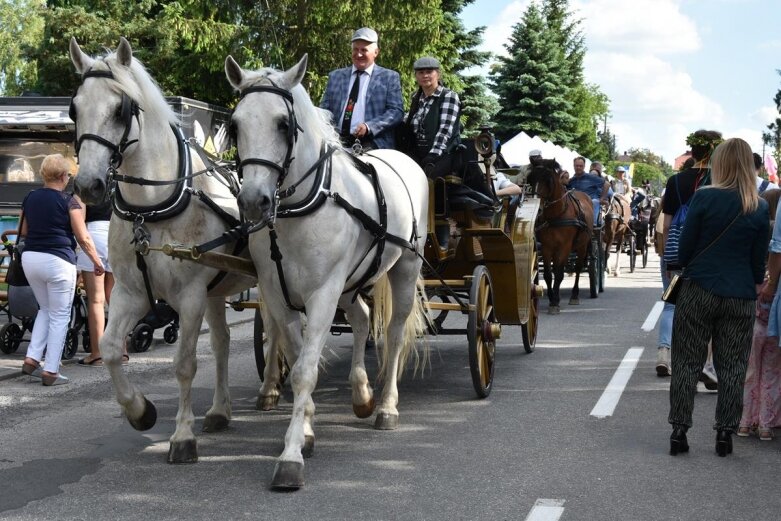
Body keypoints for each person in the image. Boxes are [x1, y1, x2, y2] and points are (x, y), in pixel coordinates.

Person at [668, 138, 769, 457]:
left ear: (721, 163)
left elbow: (684, 250)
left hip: (699, 287)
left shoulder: (704, 198)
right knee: (734, 365)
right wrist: (753, 283)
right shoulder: (759, 205)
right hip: (739, 294)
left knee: (686, 361)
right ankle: (725, 433)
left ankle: (679, 430)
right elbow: (758, 261)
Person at [19, 154, 104, 386]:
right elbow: (83, 237)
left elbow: (24, 230)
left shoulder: (30, 197)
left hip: (31, 259)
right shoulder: (70, 202)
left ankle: (32, 357)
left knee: (46, 309)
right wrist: (97, 262)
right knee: (60, 316)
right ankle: (51, 371)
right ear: (64, 176)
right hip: (58, 261)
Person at [658, 130, 722, 378]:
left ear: (692, 152)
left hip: (676, 250)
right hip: (706, 252)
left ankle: (664, 353)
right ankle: (703, 364)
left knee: (671, 304)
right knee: (706, 310)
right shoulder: (719, 181)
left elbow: (666, 224)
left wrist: (666, 255)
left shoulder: (675, 181)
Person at [739, 196, 781, 440]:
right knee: (773, 372)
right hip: (775, 318)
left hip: (755, 319)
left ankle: (745, 422)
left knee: (750, 370)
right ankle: (765, 424)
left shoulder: (761, 236)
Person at [320, 27, 403, 150]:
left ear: (376, 52)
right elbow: (325, 110)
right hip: (337, 142)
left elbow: (396, 112)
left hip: (373, 143)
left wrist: (369, 126)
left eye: (364, 50)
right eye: (355, 49)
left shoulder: (389, 77)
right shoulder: (336, 76)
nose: (358, 54)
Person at [75, 200, 127, 366]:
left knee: (96, 300)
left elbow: (79, 219)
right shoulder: (115, 185)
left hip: (93, 235)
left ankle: (97, 353)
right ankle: (122, 351)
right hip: (116, 236)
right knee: (115, 297)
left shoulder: (83, 189)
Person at [404, 56, 461, 178]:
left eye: (429, 72)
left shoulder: (449, 96)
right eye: (421, 72)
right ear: (416, 76)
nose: (425, 76)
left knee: (426, 178)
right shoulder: (416, 98)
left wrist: (433, 155)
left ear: (438, 74)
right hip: (419, 154)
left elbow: (445, 130)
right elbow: (408, 122)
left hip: (444, 153)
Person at [567, 156, 610, 226]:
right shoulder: (571, 180)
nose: (578, 168)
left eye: (580, 166)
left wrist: (602, 198)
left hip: (589, 205)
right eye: (576, 166)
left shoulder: (591, 177)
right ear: (573, 166)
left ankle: (593, 224)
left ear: (584, 166)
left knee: (595, 201)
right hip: (574, 206)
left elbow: (607, 184)